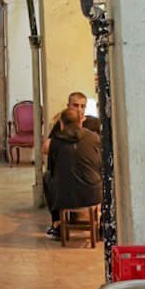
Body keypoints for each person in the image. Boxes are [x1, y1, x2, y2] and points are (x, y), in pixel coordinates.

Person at [43, 92, 101, 239]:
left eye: (82, 106)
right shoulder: (93, 137)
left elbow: (51, 167)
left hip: (64, 194)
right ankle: (102, 226)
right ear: (68, 106)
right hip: (92, 192)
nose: (79, 109)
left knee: (49, 178)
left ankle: (57, 225)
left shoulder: (59, 138)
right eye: (75, 105)